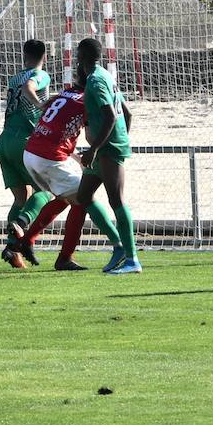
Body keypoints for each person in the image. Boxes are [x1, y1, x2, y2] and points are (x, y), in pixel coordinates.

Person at [9, 77, 122, 271]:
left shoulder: (64, 93)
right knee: (83, 199)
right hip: (49, 157)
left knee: (65, 198)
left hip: (32, 152)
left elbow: (52, 117)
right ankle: (70, 256)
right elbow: (89, 135)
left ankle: (26, 239)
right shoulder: (86, 100)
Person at [74, 38, 139, 274]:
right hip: (106, 147)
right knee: (84, 195)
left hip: (107, 148)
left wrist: (96, 148)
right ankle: (119, 247)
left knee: (116, 200)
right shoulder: (105, 75)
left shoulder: (96, 80)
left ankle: (132, 260)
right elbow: (128, 114)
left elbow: (111, 116)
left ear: (81, 57)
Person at [0, 39, 54, 269]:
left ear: (24, 55)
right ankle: (23, 222)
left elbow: (20, 89)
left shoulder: (13, 77)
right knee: (46, 190)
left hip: (4, 141)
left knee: (21, 198)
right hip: (25, 141)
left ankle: (12, 249)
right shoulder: (41, 74)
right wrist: (41, 105)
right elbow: (28, 88)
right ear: (45, 57)